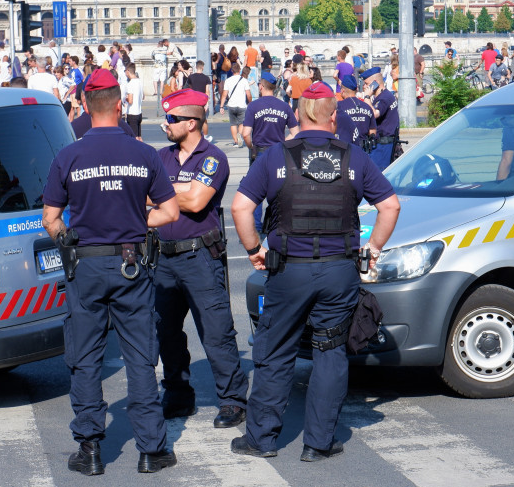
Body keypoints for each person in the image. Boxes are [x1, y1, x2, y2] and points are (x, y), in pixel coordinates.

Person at [230, 81, 401, 462]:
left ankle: (261, 439)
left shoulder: (274, 156)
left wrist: (255, 250)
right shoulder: (354, 157)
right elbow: (390, 206)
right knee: (329, 351)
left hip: (288, 271)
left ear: (299, 114)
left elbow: (240, 208)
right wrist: (372, 250)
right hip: (339, 272)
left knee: (275, 351)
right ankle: (318, 443)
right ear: (333, 117)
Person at [41, 69, 181, 476]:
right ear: (120, 105)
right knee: (140, 356)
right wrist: (136, 221)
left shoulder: (68, 156)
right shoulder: (144, 154)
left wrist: (68, 238)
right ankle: (151, 449)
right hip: (131, 264)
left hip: (85, 263)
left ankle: (89, 450)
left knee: (85, 357)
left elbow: (50, 218)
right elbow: (171, 212)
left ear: (86, 106)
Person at [153, 89, 250, 430]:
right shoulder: (161, 158)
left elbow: (196, 202)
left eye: (172, 119)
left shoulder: (213, 158)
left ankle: (233, 400)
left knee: (216, 331)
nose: (165, 124)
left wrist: (162, 194)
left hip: (200, 257)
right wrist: (181, 191)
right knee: (166, 332)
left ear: (191, 123)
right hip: (164, 258)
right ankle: (178, 395)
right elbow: (149, 195)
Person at [241, 71, 299, 233]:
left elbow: (245, 133)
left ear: (261, 86)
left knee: (256, 190)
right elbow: (295, 133)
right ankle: (276, 225)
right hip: (278, 153)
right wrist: (282, 143)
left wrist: (251, 147)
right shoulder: (284, 106)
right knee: (278, 189)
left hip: (260, 152)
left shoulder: (254, 106)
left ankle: (256, 228)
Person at [360, 67, 399, 170]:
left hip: (383, 146)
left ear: (375, 83)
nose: (364, 87)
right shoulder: (385, 95)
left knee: (377, 174)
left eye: (367, 84)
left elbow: (374, 114)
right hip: (385, 145)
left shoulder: (384, 98)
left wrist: (367, 97)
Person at [334, 75, 376, 148]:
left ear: (342, 91)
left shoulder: (338, 107)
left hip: (345, 148)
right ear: (356, 89)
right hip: (363, 149)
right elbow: (373, 132)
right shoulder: (367, 107)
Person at [220, 63, 252, 147]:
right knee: (241, 123)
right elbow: (248, 94)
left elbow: (224, 94)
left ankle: (235, 142)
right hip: (241, 105)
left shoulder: (228, 80)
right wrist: (250, 103)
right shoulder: (244, 80)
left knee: (233, 124)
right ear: (239, 70)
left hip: (231, 105)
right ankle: (239, 135)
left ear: (232, 70)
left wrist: (221, 106)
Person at [188, 60, 215, 142]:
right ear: (202, 67)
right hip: (202, 102)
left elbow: (190, 90)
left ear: (196, 67)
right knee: (204, 120)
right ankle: (205, 137)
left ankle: (194, 136)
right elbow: (207, 92)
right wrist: (207, 104)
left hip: (193, 102)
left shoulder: (191, 77)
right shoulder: (206, 78)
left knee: (194, 120)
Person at [496, 114, 514, 180]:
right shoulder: (509, 129)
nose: (505, 122)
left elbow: (506, 161)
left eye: (507, 118)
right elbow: (506, 161)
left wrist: (500, 184)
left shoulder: (510, 129)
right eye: (503, 120)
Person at [124, 63, 144, 140]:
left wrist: (126, 98)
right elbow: (143, 96)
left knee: (134, 138)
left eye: (125, 71)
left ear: (128, 71)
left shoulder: (130, 84)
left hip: (132, 113)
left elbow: (130, 101)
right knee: (139, 137)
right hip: (139, 112)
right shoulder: (139, 82)